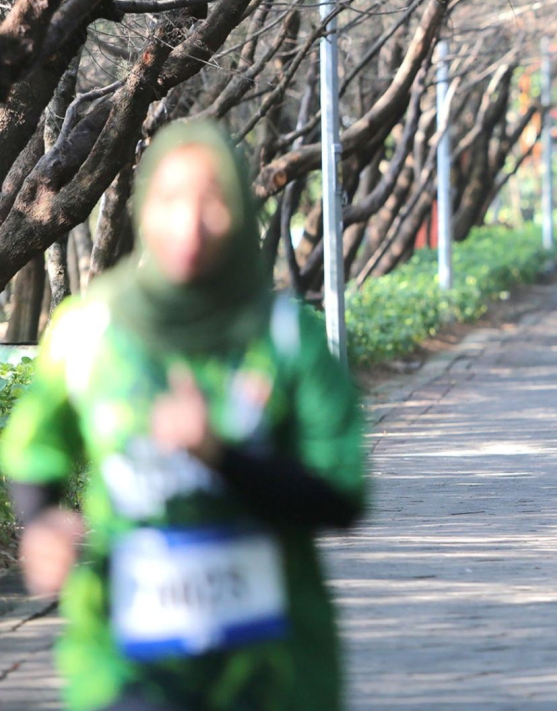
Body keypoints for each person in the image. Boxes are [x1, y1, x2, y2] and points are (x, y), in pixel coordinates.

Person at [0, 120, 365, 711]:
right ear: (144, 207)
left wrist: (221, 457)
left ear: (243, 211)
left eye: (212, 201)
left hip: (272, 669)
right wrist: (42, 524)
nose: (189, 224)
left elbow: (341, 495)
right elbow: (31, 444)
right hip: (124, 665)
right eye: (170, 201)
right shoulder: (92, 332)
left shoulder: (285, 337)